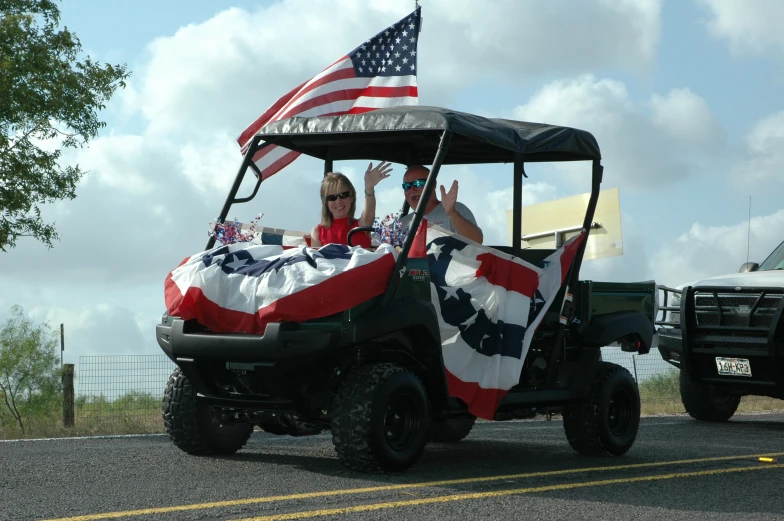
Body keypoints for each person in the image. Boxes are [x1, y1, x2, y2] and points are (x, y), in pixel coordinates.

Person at [310, 161, 393, 248]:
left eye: (343, 195)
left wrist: (369, 188)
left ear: (351, 198)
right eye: (332, 197)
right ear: (326, 203)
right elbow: (317, 259)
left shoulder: (361, 226)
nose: (338, 201)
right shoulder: (317, 232)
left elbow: (369, 216)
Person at [399, 165, 483, 244]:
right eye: (406, 186)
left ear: (433, 184)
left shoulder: (456, 209)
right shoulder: (403, 223)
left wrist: (451, 213)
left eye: (418, 183)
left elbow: (477, 241)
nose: (412, 189)